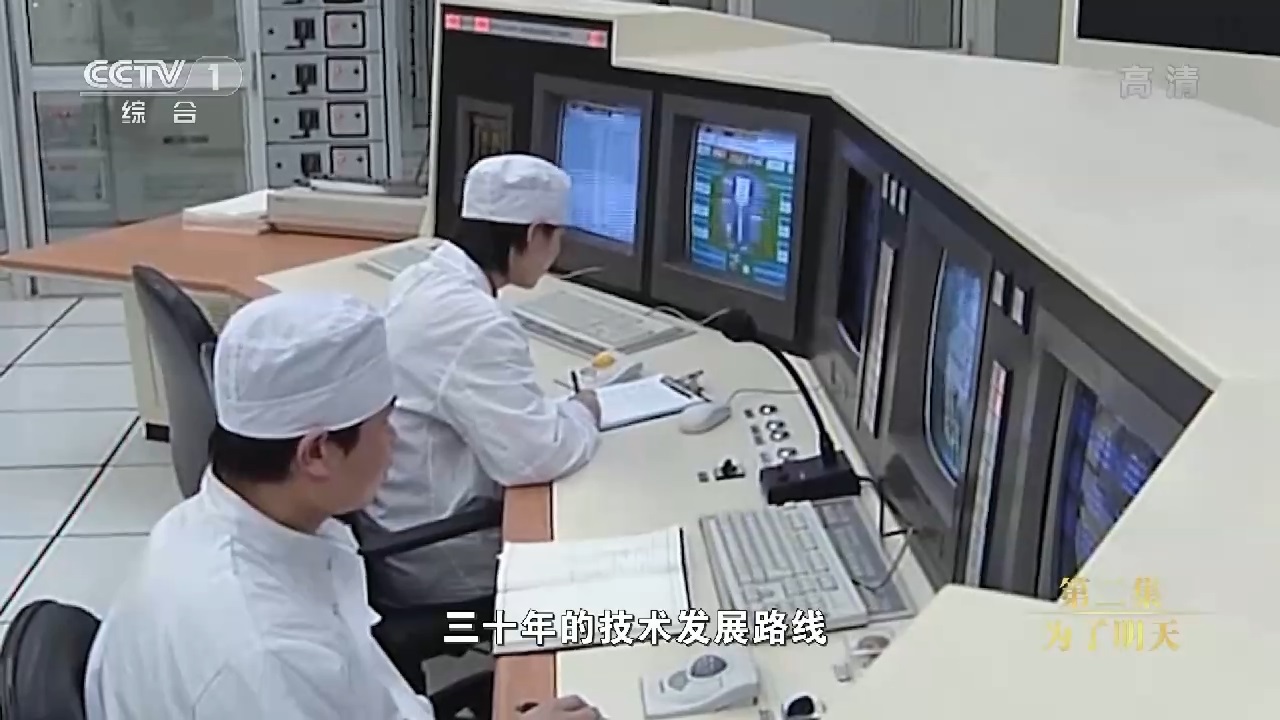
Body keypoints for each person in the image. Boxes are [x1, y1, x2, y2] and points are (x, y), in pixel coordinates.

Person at [83, 291, 602, 720]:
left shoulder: (210, 525)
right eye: (385, 423)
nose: (396, 440)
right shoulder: (265, 655)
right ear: (316, 453)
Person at [369, 154, 601, 608]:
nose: (557, 253)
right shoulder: (475, 322)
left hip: (400, 527)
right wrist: (585, 410)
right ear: (533, 234)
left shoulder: (421, 278)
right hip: (441, 558)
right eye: (557, 237)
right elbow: (537, 457)